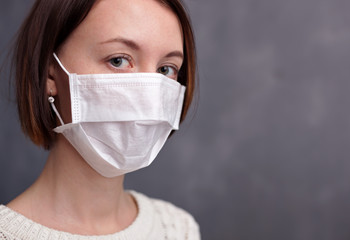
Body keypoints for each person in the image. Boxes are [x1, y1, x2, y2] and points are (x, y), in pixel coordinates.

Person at [0, 0, 200, 239]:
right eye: (118, 60)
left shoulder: (178, 229)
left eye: (166, 69)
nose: (149, 95)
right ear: (50, 74)